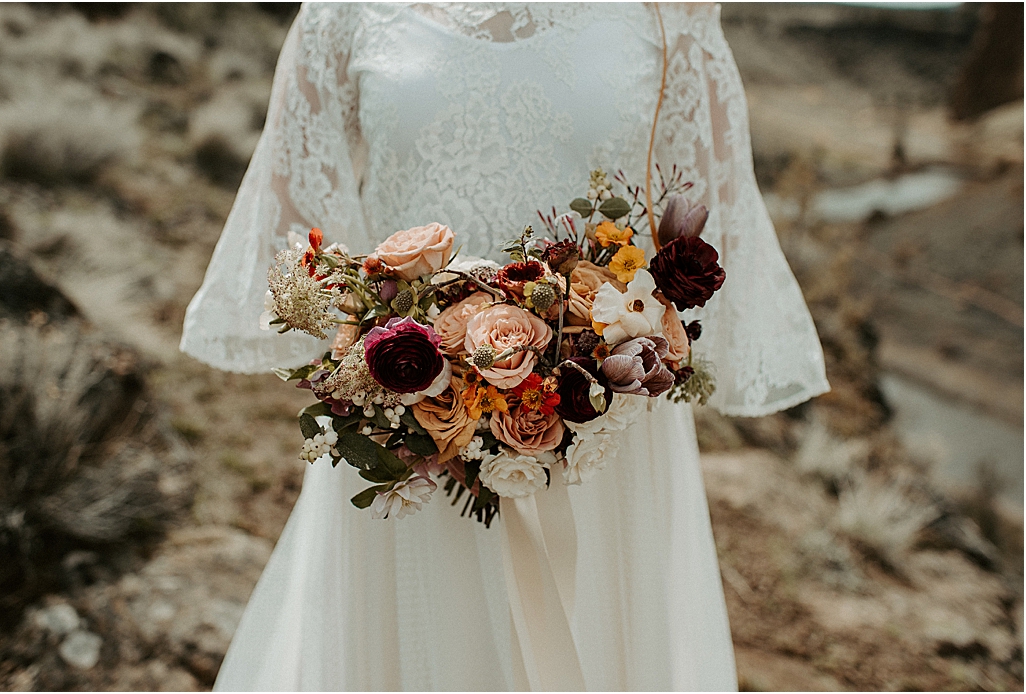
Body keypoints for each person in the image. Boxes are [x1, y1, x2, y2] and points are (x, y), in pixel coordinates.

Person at [180, 4, 828, 690]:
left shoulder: (668, 13)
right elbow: (295, 220)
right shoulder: (345, 10)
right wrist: (397, 350)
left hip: (602, 428)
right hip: (407, 425)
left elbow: (707, 210)